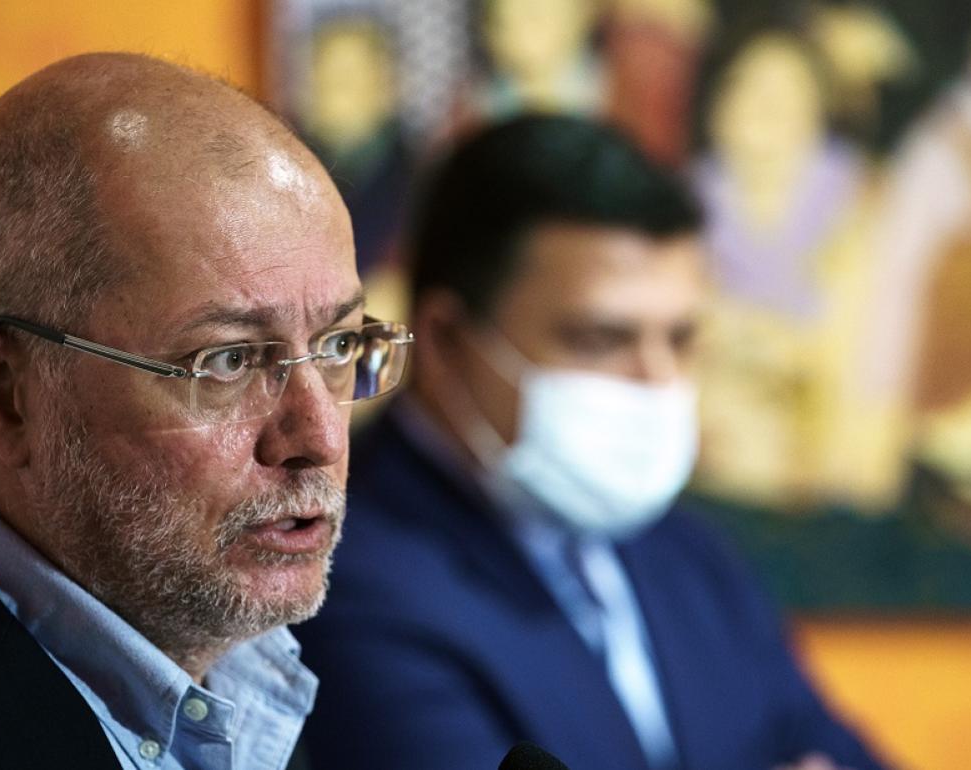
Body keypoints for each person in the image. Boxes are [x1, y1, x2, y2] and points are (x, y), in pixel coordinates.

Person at [293, 115, 886, 770]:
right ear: (444, 342)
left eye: (681, 339)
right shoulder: (335, 576)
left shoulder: (690, 556)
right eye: (602, 340)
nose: (657, 382)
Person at [0, 52, 411, 769]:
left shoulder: (251, 666)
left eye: (339, 344)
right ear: (1, 392)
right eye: (228, 361)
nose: (320, 436)